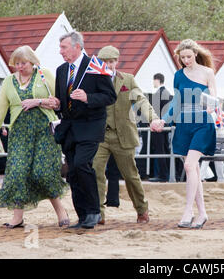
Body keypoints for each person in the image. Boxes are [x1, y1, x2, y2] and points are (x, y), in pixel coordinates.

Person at [0, 45, 69, 228]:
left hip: (44, 131)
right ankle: (17, 217)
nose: (20, 67)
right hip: (19, 134)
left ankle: (61, 210)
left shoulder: (45, 75)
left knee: (42, 173)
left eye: (23, 63)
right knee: (18, 173)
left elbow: (59, 102)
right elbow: (0, 112)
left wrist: (39, 101)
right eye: (16, 63)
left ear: (33, 61)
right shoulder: (9, 82)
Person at [52, 32, 117, 229]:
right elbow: (61, 101)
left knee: (82, 165)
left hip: (90, 126)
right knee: (72, 172)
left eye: (64, 47)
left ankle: (94, 212)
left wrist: (88, 97)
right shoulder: (61, 70)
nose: (60, 51)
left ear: (77, 47)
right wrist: (55, 104)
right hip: (69, 128)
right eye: (60, 47)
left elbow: (109, 96)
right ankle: (82, 216)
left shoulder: (95, 67)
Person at [92, 45, 164, 225]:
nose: (108, 65)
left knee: (131, 175)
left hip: (123, 135)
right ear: (99, 62)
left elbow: (141, 100)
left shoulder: (128, 79)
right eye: (105, 62)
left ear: (117, 61)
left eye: (111, 61)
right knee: (96, 173)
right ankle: (98, 214)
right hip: (100, 136)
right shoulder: (92, 80)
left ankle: (142, 209)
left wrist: (153, 119)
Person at [162, 39, 217, 229]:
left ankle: (188, 210)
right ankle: (202, 213)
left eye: (188, 56)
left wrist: (211, 106)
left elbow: (214, 97)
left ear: (195, 54)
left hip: (203, 123)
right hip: (184, 125)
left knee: (189, 165)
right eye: (182, 57)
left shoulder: (208, 72)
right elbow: (176, 102)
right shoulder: (178, 75)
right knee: (192, 170)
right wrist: (164, 120)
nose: (186, 60)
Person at [149, 73, 173, 182]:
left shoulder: (159, 93)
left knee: (160, 150)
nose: (153, 83)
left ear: (157, 80)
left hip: (159, 126)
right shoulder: (167, 93)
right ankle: (166, 174)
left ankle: (163, 175)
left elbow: (154, 112)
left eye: (153, 80)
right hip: (165, 125)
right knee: (165, 150)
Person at [200, 107, 224, 182]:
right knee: (214, 158)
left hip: (216, 139)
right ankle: (221, 179)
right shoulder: (219, 113)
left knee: (210, 157)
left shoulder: (218, 112)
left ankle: (201, 178)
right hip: (217, 140)